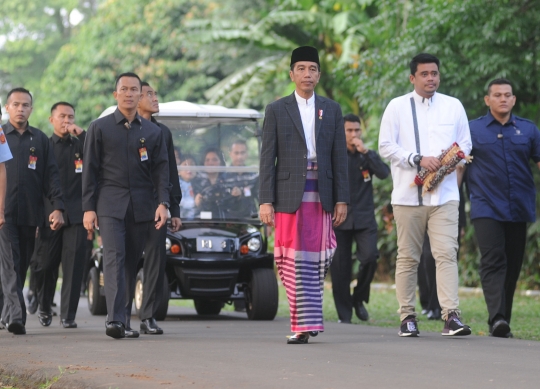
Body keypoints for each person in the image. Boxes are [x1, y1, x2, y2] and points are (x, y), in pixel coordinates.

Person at [259, 46, 349, 344]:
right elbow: (267, 158)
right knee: (290, 260)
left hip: (321, 193)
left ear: (319, 74)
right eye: (301, 68)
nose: (307, 74)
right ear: (292, 74)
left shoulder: (332, 109)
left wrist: (341, 198)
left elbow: (340, 158)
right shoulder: (276, 109)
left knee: (317, 260)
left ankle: (306, 323)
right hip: (287, 195)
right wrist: (265, 200)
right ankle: (302, 324)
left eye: (312, 69)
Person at [378, 53, 472, 337]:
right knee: (408, 257)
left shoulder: (453, 106)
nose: (431, 78)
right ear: (412, 78)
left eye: (434, 73)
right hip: (408, 198)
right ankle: (407, 317)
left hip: (445, 196)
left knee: (446, 253)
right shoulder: (396, 107)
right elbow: (385, 146)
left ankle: (451, 316)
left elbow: (465, 143)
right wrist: (416, 158)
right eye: (424, 74)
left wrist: (446, 163)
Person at [82, 72, 170, 339]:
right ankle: (115, 320)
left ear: (139, 94)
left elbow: (161, 171)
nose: (129, 94)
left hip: (143, 205)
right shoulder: (99, 128)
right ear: (116, 94)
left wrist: (163, 203)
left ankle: (125, 320)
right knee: (114, 258)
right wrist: (88, 207)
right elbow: (90, 170)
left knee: (131, 262)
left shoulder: (154, 132)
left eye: (135, 90)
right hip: (109, 203)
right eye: (125, 89)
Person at [467, 78, 540, 338]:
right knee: (493, 259)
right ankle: (497, 317)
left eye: (507, 95)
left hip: (519, 207)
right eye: (497, 95)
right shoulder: (471, 130)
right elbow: (459, 165)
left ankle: (502, 322)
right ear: (487, 100)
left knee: (512, 264)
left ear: (514, 100)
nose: (503, 99)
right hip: (486, 206)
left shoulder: (529, 130)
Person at [0, 88, 64, 335]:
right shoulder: (1, 136)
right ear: (7, 107)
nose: (20, 109)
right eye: (15, 104)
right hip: (4, 214)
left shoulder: (40, 140)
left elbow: (52, 177)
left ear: (31, 109)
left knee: (21, 265)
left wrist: (57, 207)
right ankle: (17, 317)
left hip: (31, 214)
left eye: (25, 105)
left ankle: (6, 313)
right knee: (10, 264)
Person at [31, 102, 87, 329]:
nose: (66, 121)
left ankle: (68, 315)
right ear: (51, 119)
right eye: (62, 116)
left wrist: (81, 134)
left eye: (70, 117)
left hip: (76, 215)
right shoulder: (42, 146)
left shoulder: (80, 145)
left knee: (73, 267)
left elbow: (100, 155)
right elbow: (36, 183)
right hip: (49, 214)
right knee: (46, 265)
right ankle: (45, 306)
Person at [330, 113, 389, 323]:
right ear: (341, 132)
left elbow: (383, 173)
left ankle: (359, 298)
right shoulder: (334, 156)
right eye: (349, 131)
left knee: (370, 257)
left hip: (364, 219)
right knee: (340, 269)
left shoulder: (367, 156)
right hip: (339, 219)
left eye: (357, 130)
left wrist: (367, 153)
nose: (354, 134)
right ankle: (344, 316)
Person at [136, 82, 182, 335]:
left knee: (156, 259)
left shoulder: (163, 132)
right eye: (149, 94)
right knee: (126, 260)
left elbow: (170, 172)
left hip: (158, 206)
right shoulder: (125, 128)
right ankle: (119, 315)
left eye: (155, 93)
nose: (155, 98)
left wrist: (173, 207)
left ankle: (148, 316)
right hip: (129, 206)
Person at [223, 140, 259, 218]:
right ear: (230, 154)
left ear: (247, 154)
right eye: (236, 153)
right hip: (229, 218)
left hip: (250, 217)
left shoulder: (253, 175)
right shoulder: (224, 175)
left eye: (242, 153)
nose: (239, 157)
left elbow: (259, 197)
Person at [193, 148, 229, 218]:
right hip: (200, 223)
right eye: (207, 160)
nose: (210, 163)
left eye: (214, 160)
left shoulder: (228, 181)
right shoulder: (196, 183)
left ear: (221, 162)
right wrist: (197, 203)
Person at [178, 154, 197, 219]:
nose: (189, 168)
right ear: (178, 171)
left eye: (192, 165)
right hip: (182, 218)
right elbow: (179, 201)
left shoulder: (199, 184)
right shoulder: (177, 184)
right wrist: (194, 203)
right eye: (185, 165)